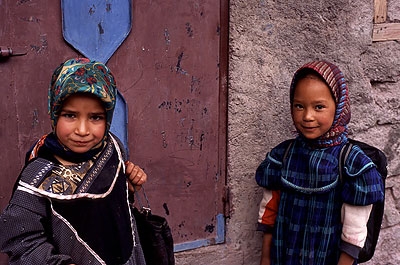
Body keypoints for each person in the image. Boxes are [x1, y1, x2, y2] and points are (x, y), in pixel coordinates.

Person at [0, 58, 148, 265]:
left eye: (95, 118)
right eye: (70, 115)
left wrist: (129, 186)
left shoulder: (112, 148)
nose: (82, 130)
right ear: (54, 113)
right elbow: (22, 239)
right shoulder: (38, 176)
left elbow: (114, 208)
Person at [255, 60, 385, 265]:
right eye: (299, 106)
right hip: (284, 255)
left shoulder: (353, 165)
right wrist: (265, 258)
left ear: (339, 107)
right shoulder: (284, 155)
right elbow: (269, 212)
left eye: (319, 107)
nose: (307, 116)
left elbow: (354, 233)